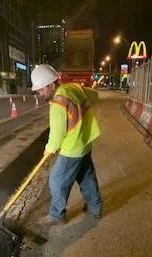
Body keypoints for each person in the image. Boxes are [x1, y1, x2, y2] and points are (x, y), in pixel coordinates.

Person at [31, 64, 102, 225]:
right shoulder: (73, 87)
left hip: (72, 148)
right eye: (38, 90)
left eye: (42, 89)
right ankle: (96, 208)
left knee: (56, 180)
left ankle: (57, 215)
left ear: (51, 84)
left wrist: (48, 151)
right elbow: (95, 96)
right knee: (86, 178)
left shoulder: (57, 103)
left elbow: (56, 136)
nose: (40, 93)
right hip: (85, 142)